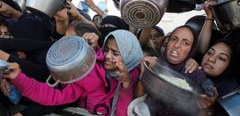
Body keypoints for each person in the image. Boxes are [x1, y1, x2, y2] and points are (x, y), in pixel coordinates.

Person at [3, 30, 144, 116]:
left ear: (129, 56)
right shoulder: (88, 70)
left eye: (116, 53)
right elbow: (52, 96)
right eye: (106, 49)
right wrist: (19, 79)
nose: (107, 56)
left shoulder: (137, 77)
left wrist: (125, 85)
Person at [134, 26, 212, 115]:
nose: (177, 45)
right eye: (174, 39)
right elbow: (138, 98)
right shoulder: (153, 63)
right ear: (168, 42)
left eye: (186, 43)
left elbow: (201, 110)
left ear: (192, 49)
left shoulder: (196, 74)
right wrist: (144, 73)